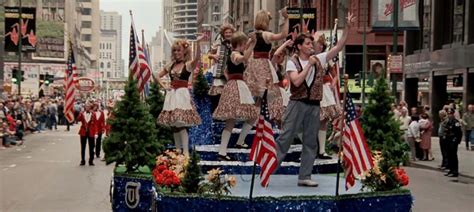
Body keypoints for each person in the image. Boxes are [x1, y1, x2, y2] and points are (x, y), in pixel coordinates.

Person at [275, 12, 356, 187]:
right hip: (296, 104)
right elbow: (296, 81)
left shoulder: (319, 58)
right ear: (299, 46)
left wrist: (347, 28)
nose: (311, 45)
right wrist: (309, 65)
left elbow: (338, 47)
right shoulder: (292, 62)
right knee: (285, 138)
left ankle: (304, 176)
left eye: (312, 43)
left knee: (310, 142)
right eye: (308, 43)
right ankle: (268, 170)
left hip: (314, 105)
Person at [212, 31, 258, 161]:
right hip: (237, 86)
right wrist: (252, 44)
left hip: (235, 85)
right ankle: (229, 147)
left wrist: (250, 40)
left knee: (237, 119)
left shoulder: (234, 53)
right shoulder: (235, 54)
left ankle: (227, 148)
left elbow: (227, 70)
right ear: (241, 44)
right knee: (239, 118)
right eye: (244, 44)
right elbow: (244, 58)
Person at [156, 36, 205, 157]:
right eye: (175, 50)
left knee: (181, 123)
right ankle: (178, 152)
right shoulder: (171, 65)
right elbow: (156, 75)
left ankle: (186, 152)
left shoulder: (188, 65)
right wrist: (164, 86)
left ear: (184, 52)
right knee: (174, 125)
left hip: (182, 95)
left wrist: (198, 43)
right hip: (172, 95)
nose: (177, 53)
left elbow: (198, 58)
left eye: (179, 50)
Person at [245, 8, 289, 99]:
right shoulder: (266, 35)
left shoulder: (252, 35)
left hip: (253, 64)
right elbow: (283, 35)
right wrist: (286, 19)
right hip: (263, 64)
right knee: (266, 91)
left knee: (255, 93)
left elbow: (245, 49)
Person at [208, 23, 235, 113]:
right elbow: (209, 54)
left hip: (232, 74)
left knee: (229, 97)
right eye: (226, 32)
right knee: (217, 96)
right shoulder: (218, 43)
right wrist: (214, 56)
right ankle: (216, 116)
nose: (228, 34)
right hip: (220, 73)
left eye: (230, 32)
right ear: (223, 33)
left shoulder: (235, 43)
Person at [444, 108, 463, 177]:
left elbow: (459, 132)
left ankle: (455, 171)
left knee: (453, 156)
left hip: (453, 140)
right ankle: (451, 170)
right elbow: (446, 130)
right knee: (449, 156)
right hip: (448, 140)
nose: (449, 115)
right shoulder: (448, 122)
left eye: (451, 114)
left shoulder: (456, 122)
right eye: (448, 114)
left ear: (453, 114)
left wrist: (457, 141)